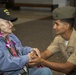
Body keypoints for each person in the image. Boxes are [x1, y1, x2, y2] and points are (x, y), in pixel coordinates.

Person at [0, 8, 52, 75]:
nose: (11, 24)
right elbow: (4, 64)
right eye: (7, 22)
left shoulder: (11, 36)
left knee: (45, 71)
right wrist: (27, 57)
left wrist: (30, 50)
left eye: (11, 21)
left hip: (21, 71)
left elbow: (20, 49)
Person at [28, 6, 76, 75]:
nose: (54, 27)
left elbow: (67, 68)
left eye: (57, 24)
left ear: (66, 26)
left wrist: (42, 62)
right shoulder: (59, 38)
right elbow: (46, 53)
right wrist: (34, 58)